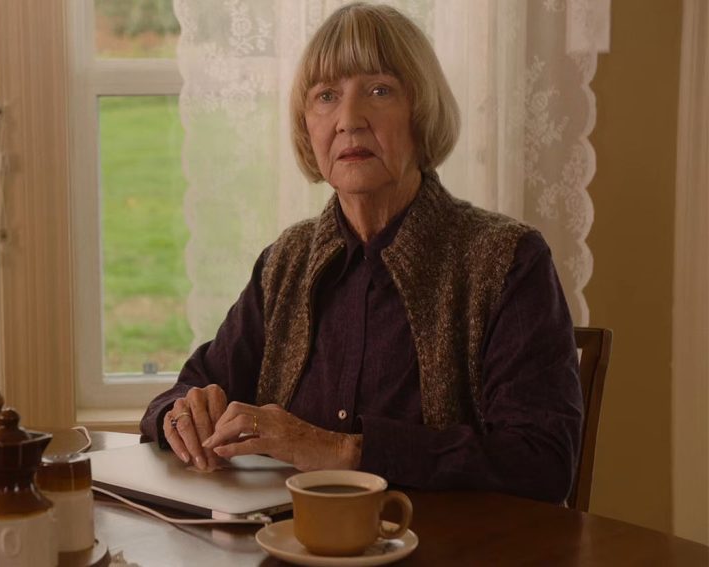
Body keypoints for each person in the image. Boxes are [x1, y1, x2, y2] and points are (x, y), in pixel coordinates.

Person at [140, 3, 582, 504]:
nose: (349, 120)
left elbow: (543, 463)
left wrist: (343, 450)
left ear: (421, 112)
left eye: (379, 90)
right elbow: (189, 389)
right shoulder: (285, 262)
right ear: (307, 127)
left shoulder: (508, 260)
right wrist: (182, 413)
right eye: (326, 96)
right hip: (287, 542)